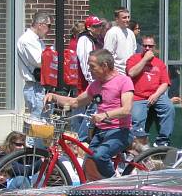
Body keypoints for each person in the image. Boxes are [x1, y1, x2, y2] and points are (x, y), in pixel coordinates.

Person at [44, 49, 133, 180]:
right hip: (100, 132)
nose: (89, 70)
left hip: (120, 131)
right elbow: (75, 102)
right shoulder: (95, 85)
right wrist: (54, 96)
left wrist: (105, 115)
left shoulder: (124, 81)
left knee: (99, 156)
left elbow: (126, 109)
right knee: (89, 163)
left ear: (105, 66)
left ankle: (116, 181)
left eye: (92, 66)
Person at [126, 35, 174, 147]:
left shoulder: (159, 63)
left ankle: (162, 141)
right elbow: (131, 73)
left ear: (154, 47)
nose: (147, 48)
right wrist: (145, 59)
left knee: (169, 108)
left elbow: (165, 83)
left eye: (150, 46)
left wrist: (156, 95)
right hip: (138, 96)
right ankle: (139, 143)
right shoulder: (134, 59)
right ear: (141, 46)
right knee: (137, 117)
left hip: (156, 95)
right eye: (145, 46)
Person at [16, 11, 52, 117]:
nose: (49, 30)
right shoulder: (28, 40)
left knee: (42, 123)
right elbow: (39, 62)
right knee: (38, 122)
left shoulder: (37, 41)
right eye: (49, 26)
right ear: (40, 25)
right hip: (35, 87)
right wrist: (52, 59)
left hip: (39, 86)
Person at [76, 15, 105, 141]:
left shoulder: (94, 40)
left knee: (91, 111)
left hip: (93, 82)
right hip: (86, 83)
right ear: (89, 27)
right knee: (88, 113)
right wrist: (92, 82)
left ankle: (84, 138)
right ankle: (81, 139)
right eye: (96, 26)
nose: (99, 28)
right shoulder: (84, 40)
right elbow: (85, 62)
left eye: (100, 25)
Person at [102, 7, 136, 75]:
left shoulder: (131, 33)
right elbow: (107, 54)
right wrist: (113, 71)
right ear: (117, 19)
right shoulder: (112, 32)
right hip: (117, 73)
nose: (127, 20)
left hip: (130, 72)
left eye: (128, 17)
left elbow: (133, 53)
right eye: (124, 17)